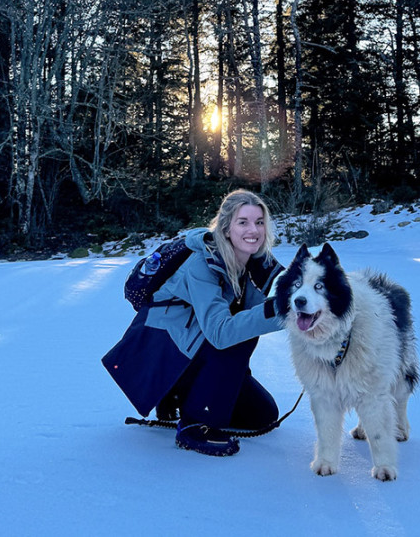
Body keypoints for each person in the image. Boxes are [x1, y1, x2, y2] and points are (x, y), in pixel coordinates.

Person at [102, 189, 284, 456]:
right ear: (225, 228)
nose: (253, 230)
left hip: (197, 356)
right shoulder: (202, 262)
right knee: (233, 337)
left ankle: (178, 398)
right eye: (242, 222)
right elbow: (220, 333)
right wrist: (283, 311)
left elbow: (248, 319)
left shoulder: (256, 265)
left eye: (259, 222)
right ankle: (196, 425)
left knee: (263, 414)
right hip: (166, 354)